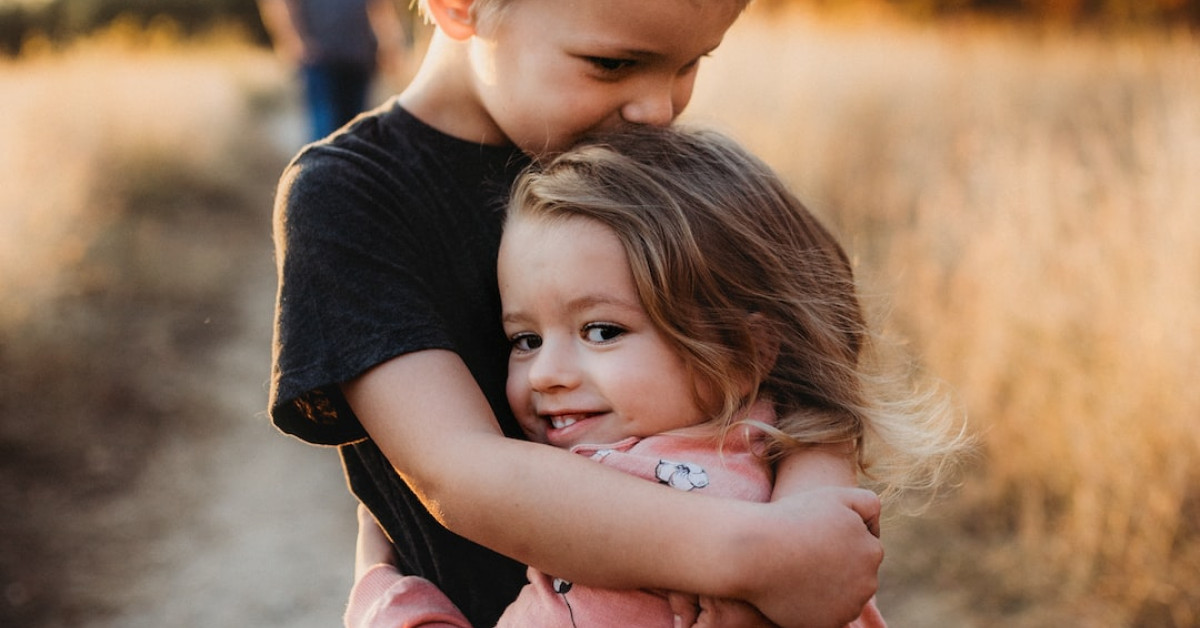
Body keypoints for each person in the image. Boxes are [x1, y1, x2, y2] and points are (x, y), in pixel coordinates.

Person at [269, 1, 888, 626]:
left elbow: (816, 365)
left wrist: (803, 536)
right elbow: (461, 470)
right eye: (613, 63)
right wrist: (757, 558)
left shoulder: (646, 165)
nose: (657, 110)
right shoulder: (353, 196)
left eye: (689, 64)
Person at [341, 125, 966, 627]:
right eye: (525, 340)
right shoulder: (788, 473)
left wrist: (385, 589)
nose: (548, 374)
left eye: (602, 331)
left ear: (745, 349)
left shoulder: (619, 505)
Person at [257, 0, 407, 141]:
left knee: (356, 133)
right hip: (319, 60)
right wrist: (293, 41)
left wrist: (389, 45)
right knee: (326, 131)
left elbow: (380, 6)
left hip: (358, 57)